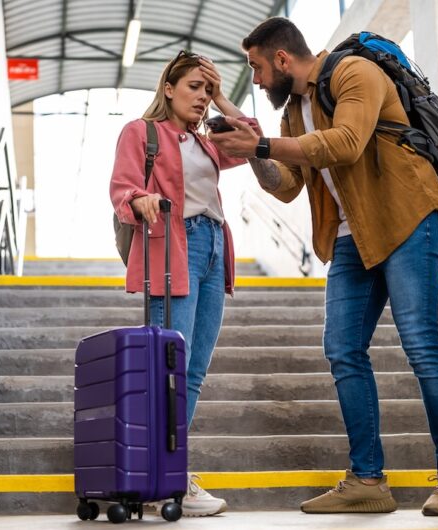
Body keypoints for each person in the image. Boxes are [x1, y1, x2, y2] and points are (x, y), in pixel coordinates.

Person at [208, 17, 438, 516]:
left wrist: (260, 144)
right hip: (352, 236)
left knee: (420, 341)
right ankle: (368, 480)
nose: (258, 80)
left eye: (258, 68)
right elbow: (287, 184)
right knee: (342, 348)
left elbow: (346, 143)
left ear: (283, 59)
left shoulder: (354, 72)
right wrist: (247, 144)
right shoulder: (293, 112)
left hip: (406, 218)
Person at [109, 50, 254, 517]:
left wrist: (224, 99)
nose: (202, 97)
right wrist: (141, 199)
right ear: (168, 89)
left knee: (194, 371)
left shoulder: (209, 141)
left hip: (213, 250)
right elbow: (121, 189)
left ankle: (166, 472)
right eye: (194, 86)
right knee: (168, 368)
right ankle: (164, 475)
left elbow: (252, 140)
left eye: (207, 90)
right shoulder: (142, 132)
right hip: (174, 244)